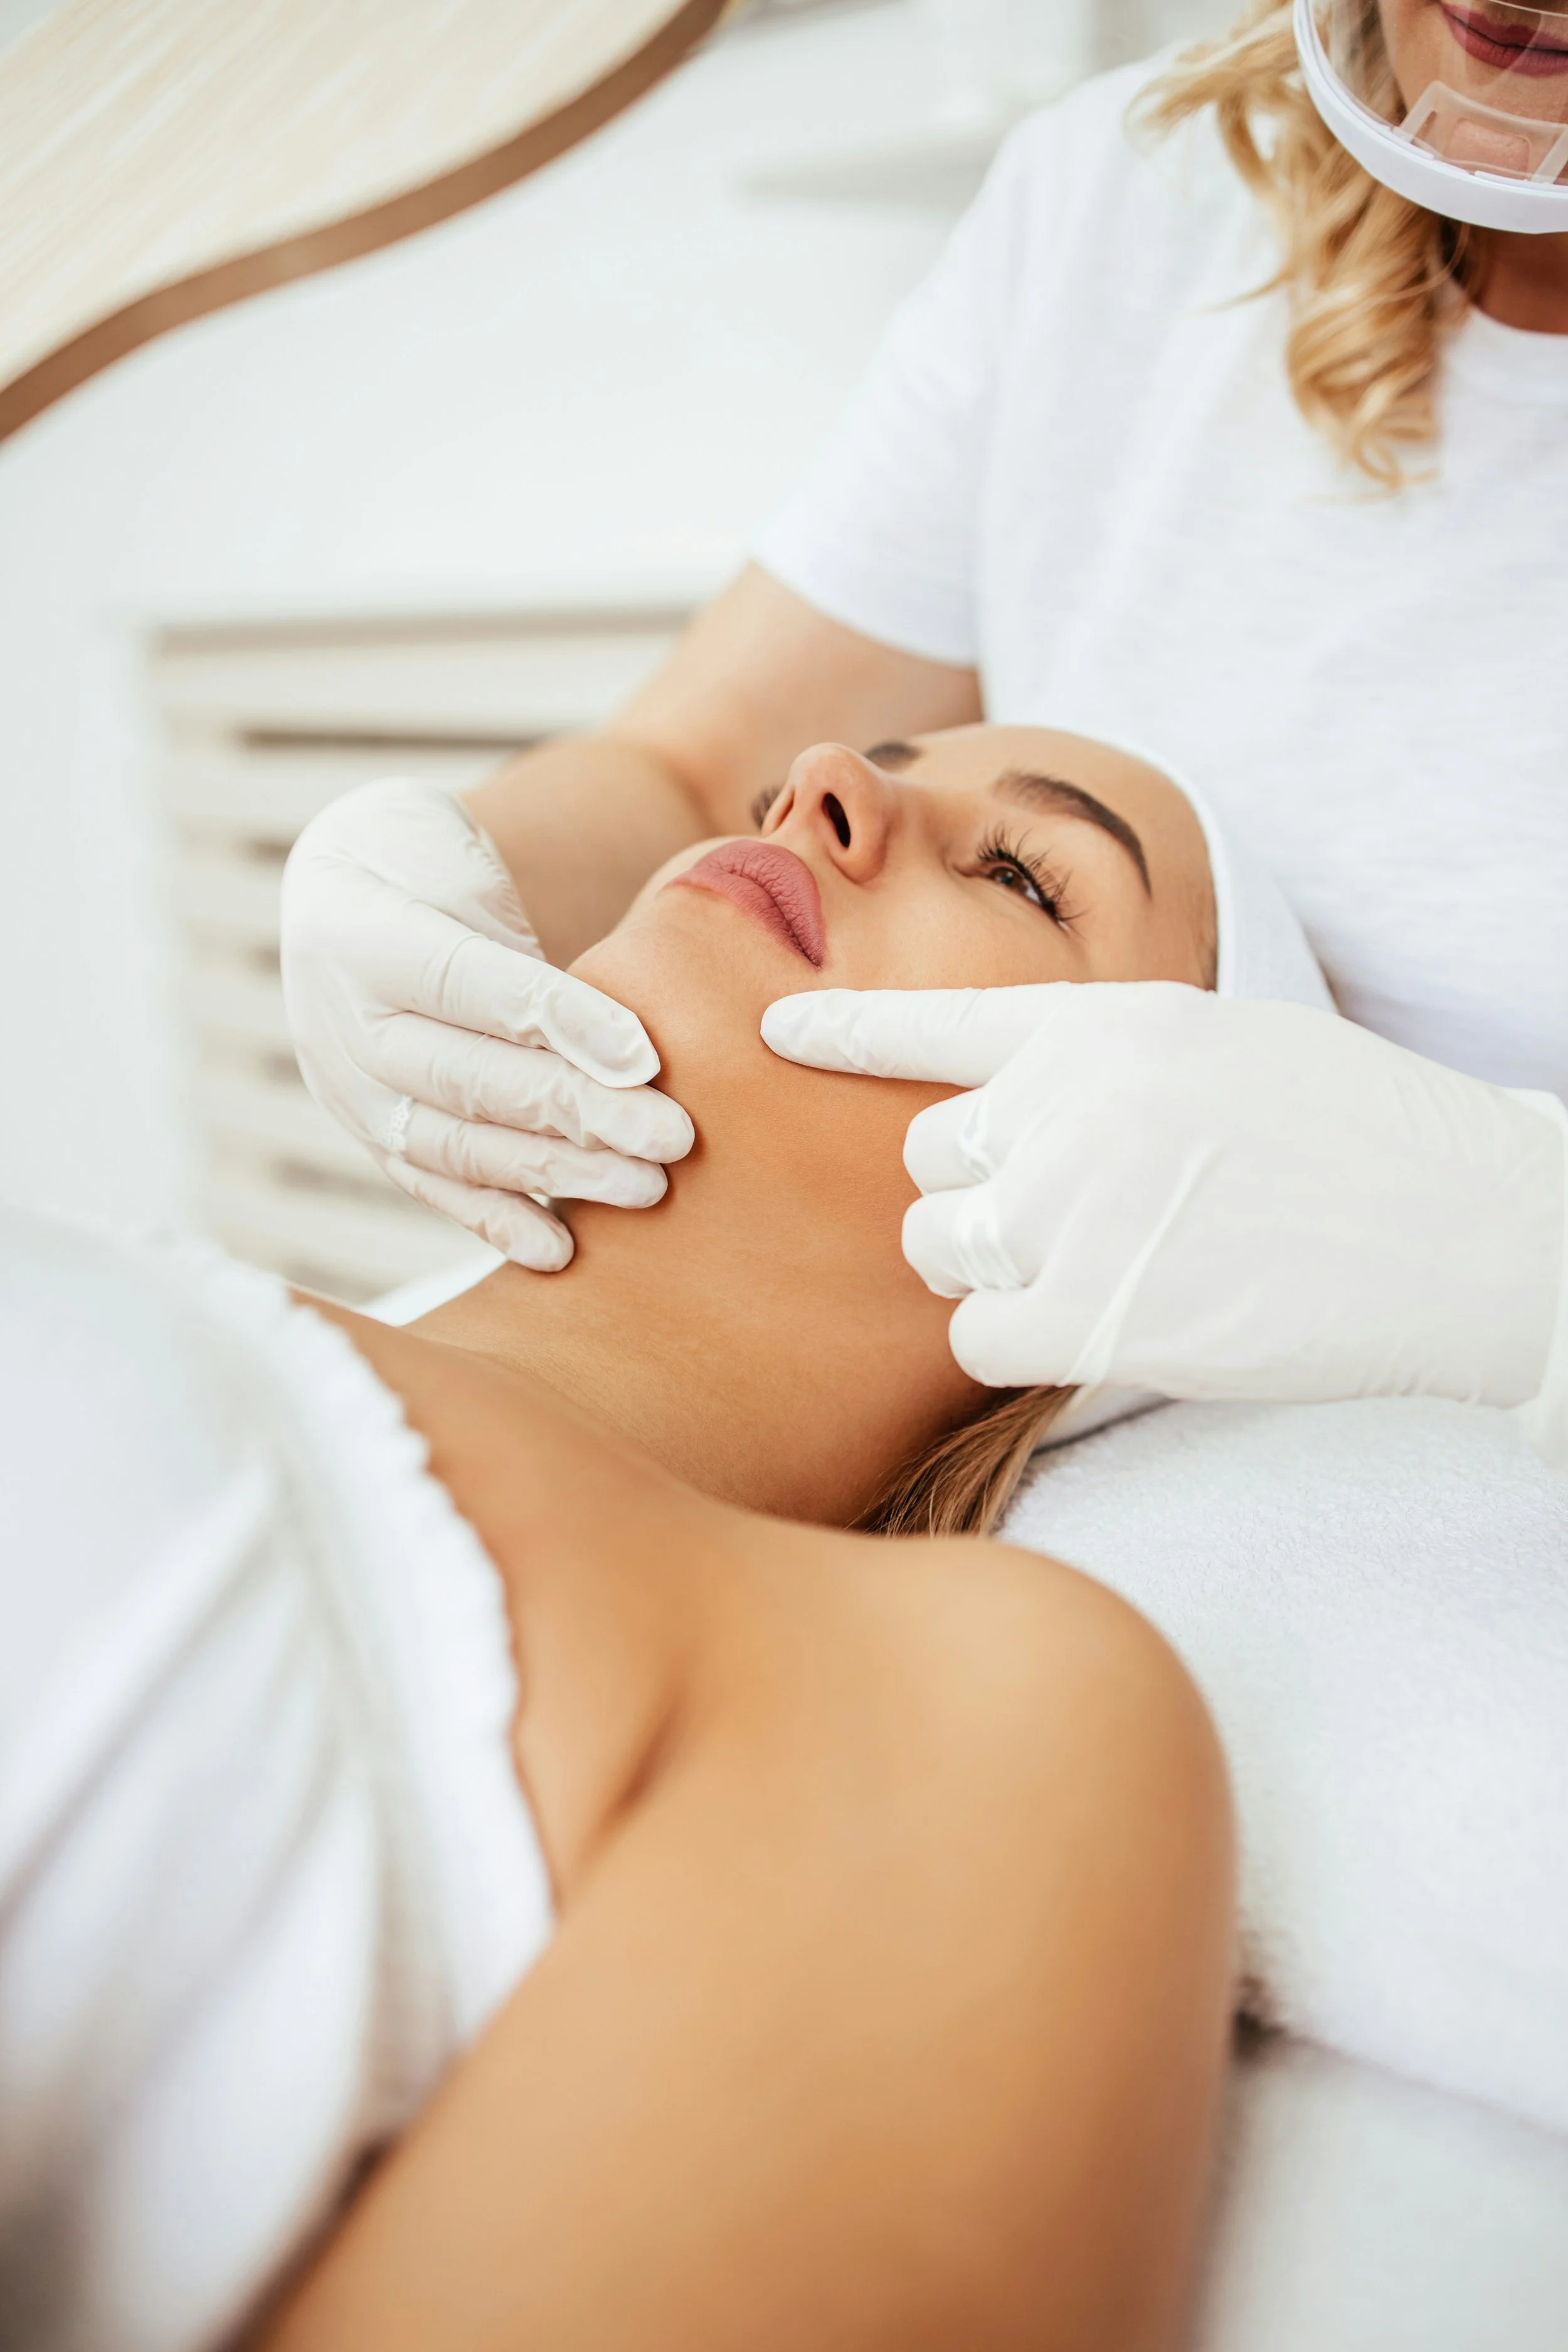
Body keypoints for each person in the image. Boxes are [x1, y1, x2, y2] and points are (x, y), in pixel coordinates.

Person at [4, 723, 1271, 2352]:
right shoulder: (160, 1277)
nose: (822, 780)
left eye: (1025, 873)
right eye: (861, 758)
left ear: (1128, 1219)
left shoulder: (966, 1713)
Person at [280, 0, 1568, 1465]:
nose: (811, 786)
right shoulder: (1133, 198)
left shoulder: (1003, 1671)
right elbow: (699, 767)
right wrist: (430, 866)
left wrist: (1537, 1271)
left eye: (1026, 878)